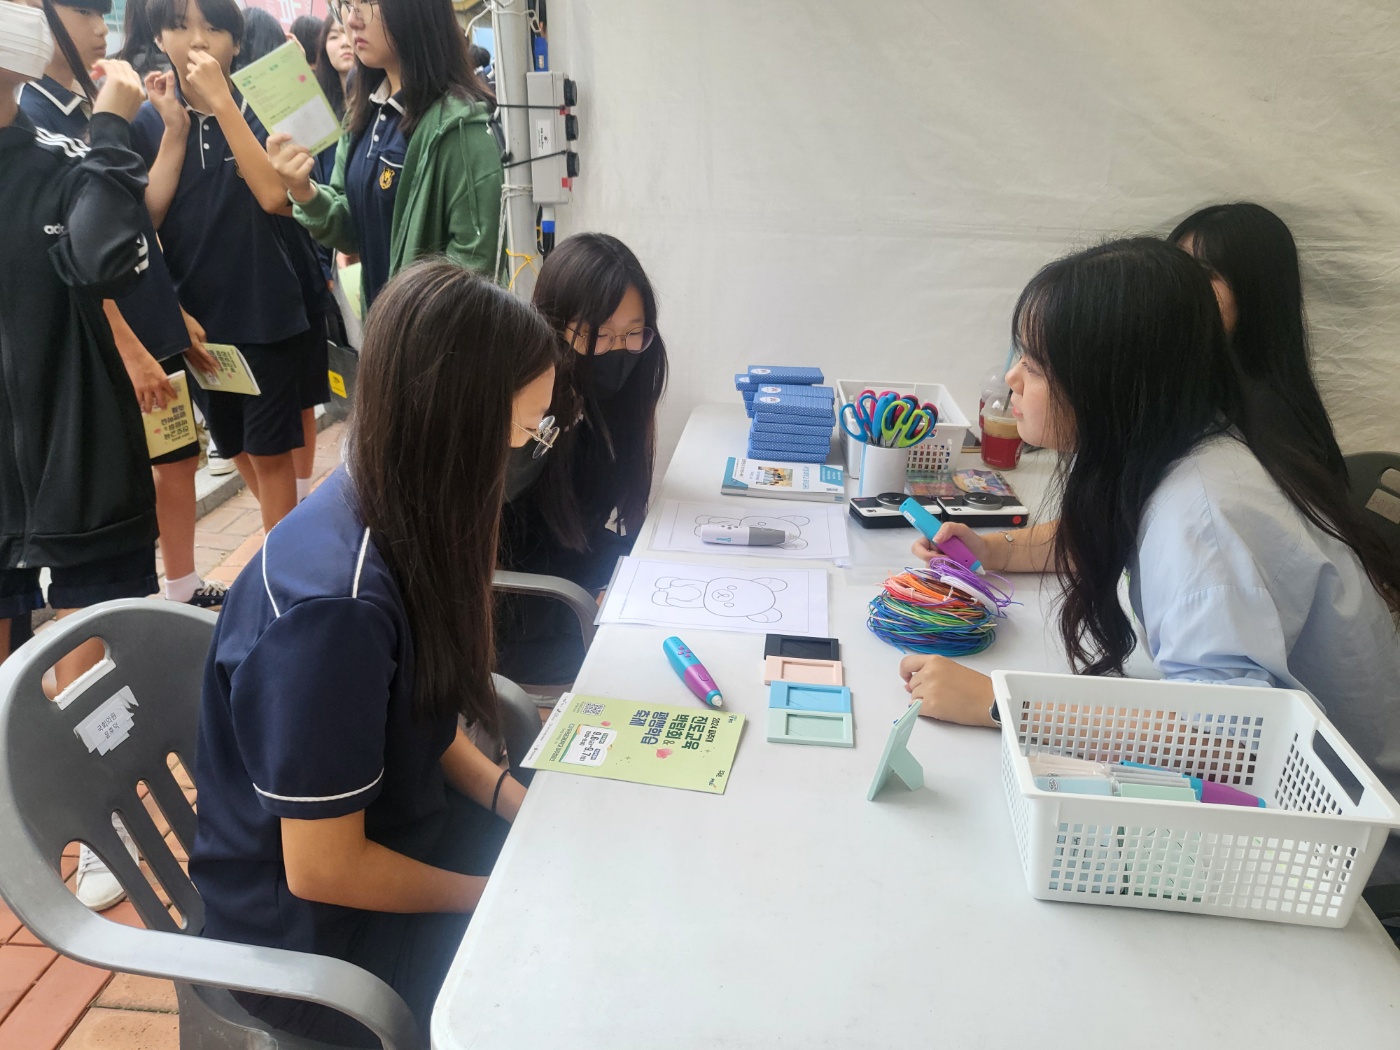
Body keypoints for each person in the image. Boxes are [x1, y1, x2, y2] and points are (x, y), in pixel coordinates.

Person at [899, 238, 1400, 876]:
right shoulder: (1185, 444)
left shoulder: (1202, 517)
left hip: (1346, 851)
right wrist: (996, 548)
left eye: (1037, 364)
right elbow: (1106, 531)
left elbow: (1232, 742)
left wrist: (1002, 704)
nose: (1012, 379)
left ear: (1111, 382)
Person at [191, 261, 560, 1045]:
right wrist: (492, 895)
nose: (524, 452)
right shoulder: (337, 612)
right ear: (458, 425)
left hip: (394, 843)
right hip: (315, 944)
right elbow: (324, 869)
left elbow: (420, 715)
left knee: (582, 866)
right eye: (524, 431)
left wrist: (513, 801)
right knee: (557, 973)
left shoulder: (392, 507)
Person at [0, 0, 159, 905]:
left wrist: (112, 132)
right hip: (22, 463)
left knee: (90, 638)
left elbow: (104, 260)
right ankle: (29, 814)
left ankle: (105, 811)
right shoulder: (72, 155)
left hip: (76, 448)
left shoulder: (63, 160)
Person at [23, 0, 227, 619]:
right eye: (82, 10)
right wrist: (130, 347)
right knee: (122, 497)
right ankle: (135, 616)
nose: (97, 28)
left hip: (145, 316)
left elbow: (139, 216)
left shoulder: (96, 106)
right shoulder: (34, 120)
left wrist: (173, 130)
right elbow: (73, 263)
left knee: (176, 455)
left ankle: (179, 587)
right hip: (110, 342)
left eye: (102, 13)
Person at [130, 0, 318, 533]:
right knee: (234, 446)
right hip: (198, 321)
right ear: (159, 39)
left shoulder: (263, 106)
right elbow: (148, 218)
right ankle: (290, 543)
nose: (197, 40)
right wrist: (174, 129)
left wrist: (222, 103)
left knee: (271, 455)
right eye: (179, 27)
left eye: (213, 28)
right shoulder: (151, 119)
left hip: (265, 311)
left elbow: (275, 197)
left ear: (236, 41)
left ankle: (283, 564)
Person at [496, 234, 668, 685]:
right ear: (555, 326)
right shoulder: (529, 410)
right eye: (600, 334)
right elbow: (504, 548)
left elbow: (582, 529)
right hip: (526, 614)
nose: (620, 348)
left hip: (576, 578)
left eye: (633, 332)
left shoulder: (621, 393)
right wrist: (596, 597)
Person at [265, 0, 503, 310]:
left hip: (428, 335)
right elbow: (352, 230)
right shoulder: (363, 112)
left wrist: (402, 329)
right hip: (381, 326)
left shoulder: (459, 125)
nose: (352, 21)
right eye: (346, 5)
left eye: (368, 3)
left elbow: (475, 268)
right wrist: (304, 191)